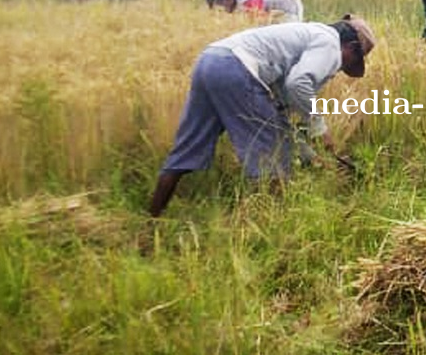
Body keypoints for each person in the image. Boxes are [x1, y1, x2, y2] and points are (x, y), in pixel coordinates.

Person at [148, 14, 376, 217]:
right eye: (352, 60)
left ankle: (153, 217)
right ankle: (269, 225)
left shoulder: (307, 35)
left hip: (210, 60)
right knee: (273, 158)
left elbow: (279, 113)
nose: (339, 69)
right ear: (351, 46)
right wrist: (320, 130)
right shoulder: (329, 43)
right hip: (236, 69)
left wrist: (310, 154)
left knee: (189, 145)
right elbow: (299, 84)